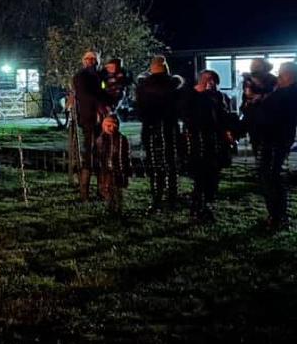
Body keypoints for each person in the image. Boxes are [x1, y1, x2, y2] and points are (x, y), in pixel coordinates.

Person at [179, 69, 237, 224]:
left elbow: (223, 116)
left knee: (212, 176)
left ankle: (205, 205)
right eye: (207, 79)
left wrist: (228, 132)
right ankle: (198, 208)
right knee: (201, 176)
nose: (210, 82)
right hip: (199, 140)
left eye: (213, 79)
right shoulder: (192, 95)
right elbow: (186, 115)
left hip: (215, 141)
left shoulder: (219, 97)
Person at [136, 55, 184, 214]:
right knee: (171, 164)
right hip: (170, 127)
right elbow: (179, 107)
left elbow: (140, 109)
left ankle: (157, 199)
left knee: (156, 165)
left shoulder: (144, 86)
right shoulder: (174, 85)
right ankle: (172, 199)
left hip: (151, 128)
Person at [256, 62, 297, 232]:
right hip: (273, 139)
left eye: (282, 74)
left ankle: (277, 217)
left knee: (272, 178)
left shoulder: (289, 94)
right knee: (270, 177)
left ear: (290, 76)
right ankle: (276, 215)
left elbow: (274, 113)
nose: (278, 77)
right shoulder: (283, 92)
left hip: (276, 140)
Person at [71, 50, 108, 201]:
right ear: (83, 61)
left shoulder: (100, 76)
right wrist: (99, 105)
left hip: (102, 119)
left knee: (102, 153)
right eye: (88, 59)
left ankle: (102, 189)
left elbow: (104, 91)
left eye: (93, 59)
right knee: (89, 154)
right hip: (89, 118)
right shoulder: (80, 77)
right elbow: (86, 95)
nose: (91, 61)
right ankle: (84, 191)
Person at [242, 58, 278, 163]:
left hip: (269, 116)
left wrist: (260, 97)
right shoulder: (248, 79)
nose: (253, 67)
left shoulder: (273, 80)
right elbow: (248, 96)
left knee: (269, 143)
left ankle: (268, 164)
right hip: (253, 115)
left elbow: (274, 95)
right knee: (255, 141)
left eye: (257, 65)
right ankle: (259, 161)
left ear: (264, 67)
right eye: (252, 65)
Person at [94, 114, 131, 216]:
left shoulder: (121, 139)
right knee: (108, 189)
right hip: (106, 171)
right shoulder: (101, 140)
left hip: (119, 169)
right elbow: (98, 155)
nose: (112, 128)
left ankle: (118, 208)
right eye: (109, 126)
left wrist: (127, 169)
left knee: (118, 190)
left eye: (114, 125)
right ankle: (110, 208)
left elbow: (125, 155)